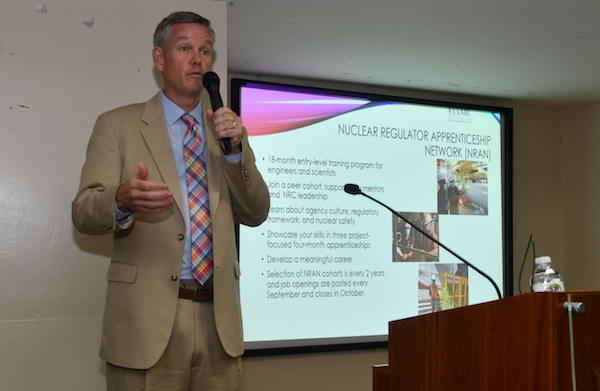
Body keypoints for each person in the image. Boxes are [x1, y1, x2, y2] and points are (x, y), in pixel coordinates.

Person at [71, 11, 270, 391]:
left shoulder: (227, 132)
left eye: (205, 50)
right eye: (185, 48)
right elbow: (82, 211)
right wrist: (120, 199)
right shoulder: (118, 125)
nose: (198, 59)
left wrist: (235, 154)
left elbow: (256, 212)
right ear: (160, 59)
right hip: (146, 322)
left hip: (219, 320)